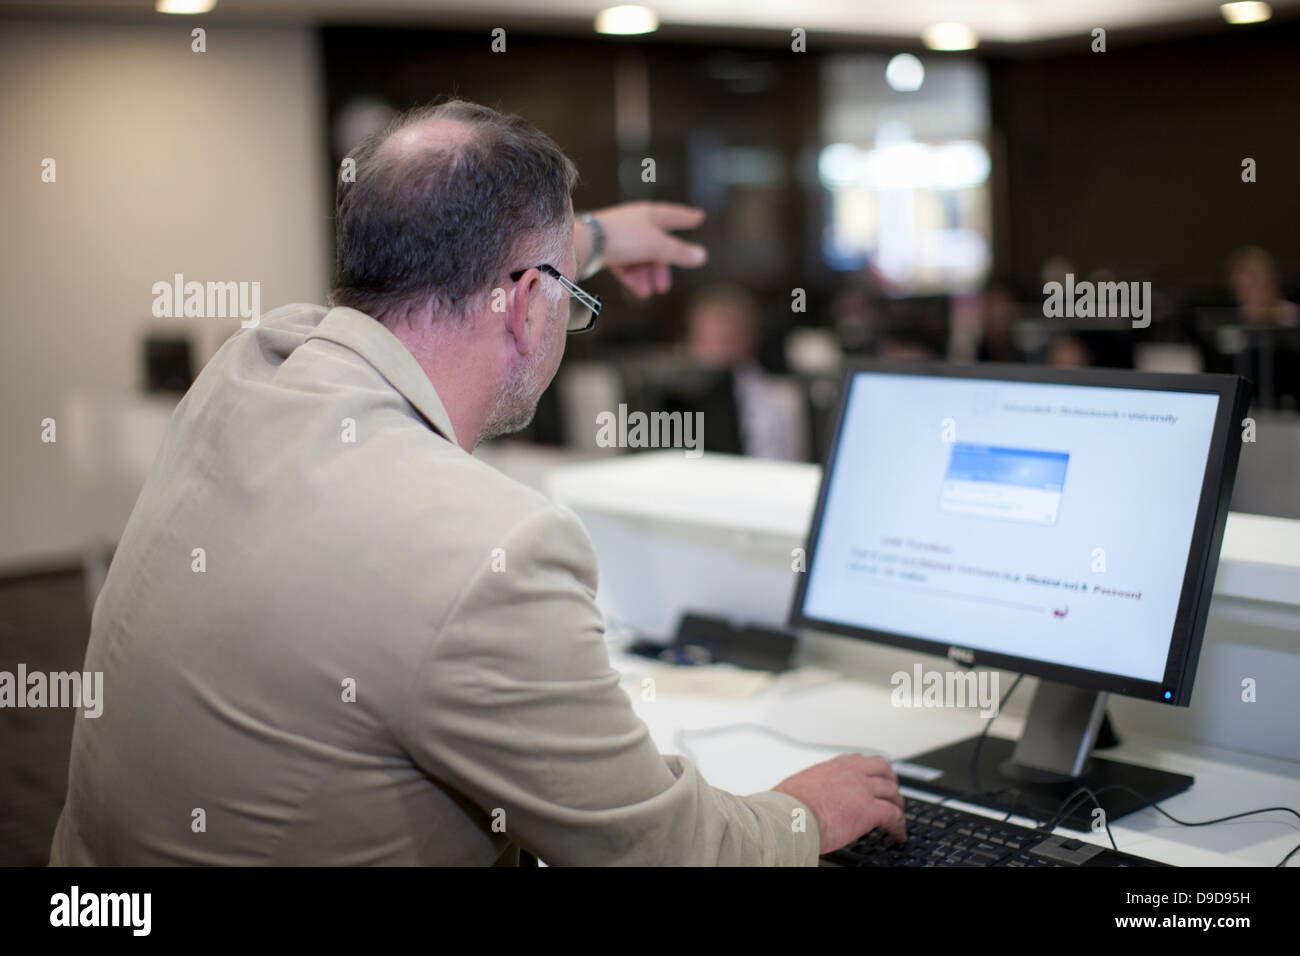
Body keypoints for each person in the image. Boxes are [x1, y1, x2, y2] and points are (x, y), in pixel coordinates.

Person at [50, 98, 904, 866]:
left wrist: (592, 240)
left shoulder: (246, 369)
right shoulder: (493, 547)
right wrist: (799, 814)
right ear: (530, 301)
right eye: (565, 295)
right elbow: (660, 850)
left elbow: (440, 238)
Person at [682, 284, 807, 460]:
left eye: (727, 340)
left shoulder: (783, 397)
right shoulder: (676, 398)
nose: (719, 353)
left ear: (750, 338)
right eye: (711, 341)